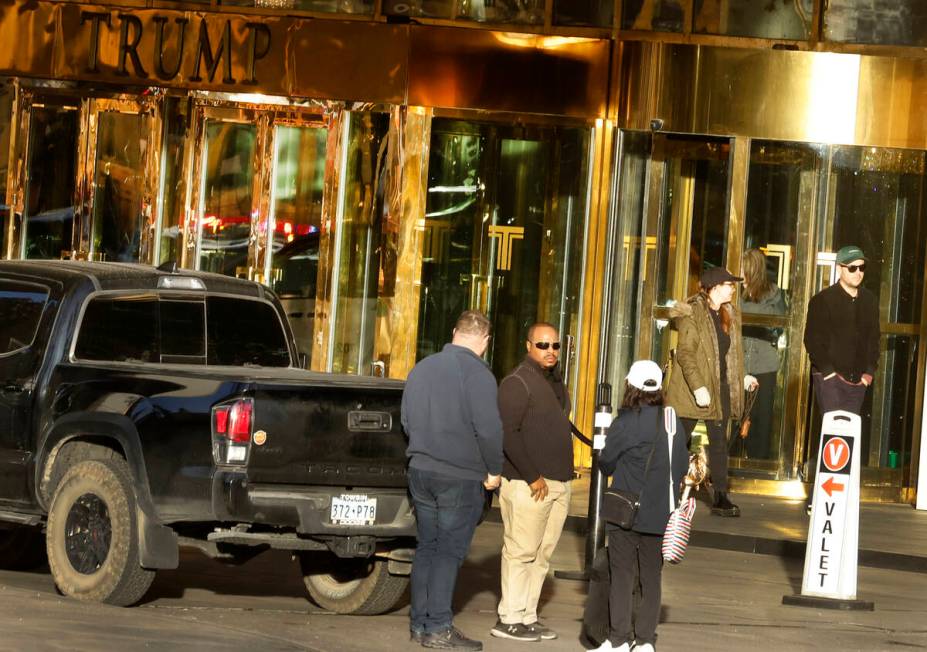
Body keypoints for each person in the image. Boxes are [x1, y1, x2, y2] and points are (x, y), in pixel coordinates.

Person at [402, 310, 504, 651]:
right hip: (458, 475)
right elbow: (489, 429)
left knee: (427, 547)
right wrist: (493, 470)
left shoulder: (422, 368)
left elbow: (406, 420)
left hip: (420, 469)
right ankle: (439, 628)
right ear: (485, 340)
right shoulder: (478, 374)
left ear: (454, 332)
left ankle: (420, 624)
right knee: (448, 552)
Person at [594, 360, 688, 652]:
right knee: (651, 578)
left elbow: (606, 463)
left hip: (625, 513)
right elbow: (682, 466)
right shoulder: (673, 422)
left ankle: (619, 639)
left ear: (631, 386)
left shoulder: (625, 422)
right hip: (660, 514)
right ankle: (645, 641)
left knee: (621, 575)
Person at [491, 322, 574, 643]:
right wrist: (532, 476)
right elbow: (506, 434)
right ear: (528, 346)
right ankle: (509, 618)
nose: (550, 351)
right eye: (543, 345)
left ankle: (527, 615)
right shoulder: (516, 382)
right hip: (530, 485)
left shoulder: (554, 383)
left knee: (542, 556)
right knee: (521, 551)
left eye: (554, 345)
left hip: (558, 484)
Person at [665, 266, 757, 517]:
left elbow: (729, 355)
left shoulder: (728, 313)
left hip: (720, 388)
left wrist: (742, 376)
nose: (733, 289)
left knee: (719, 444)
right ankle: (668, 490)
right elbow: (685, 354)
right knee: (677, 440)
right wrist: (698, 387)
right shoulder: (693, 312)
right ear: (715, 287)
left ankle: (721, 497)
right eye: (729, 285)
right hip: (692, 388)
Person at [803, 245, 879, 508]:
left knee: (849, 441)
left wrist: (868, 373)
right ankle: (819, 501)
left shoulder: (869, 300)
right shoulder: (822, 300)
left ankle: (842, 501)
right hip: (831, 381)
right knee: (832, 439)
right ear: (840, 269)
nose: (859, 273)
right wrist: (828, 374)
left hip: (858, 382)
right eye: (852, 268)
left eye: (862, 268)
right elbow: (812, 340)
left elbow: (873, 339)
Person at [739, 248, 787, 460]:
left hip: (764, 364)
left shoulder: (774, 295)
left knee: (761, 417)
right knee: (736, 414)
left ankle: (757, 464)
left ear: (751, 269)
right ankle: (733, 460)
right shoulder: (734, 293)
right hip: (739, 361)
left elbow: (779, 325)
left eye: (741, 267)